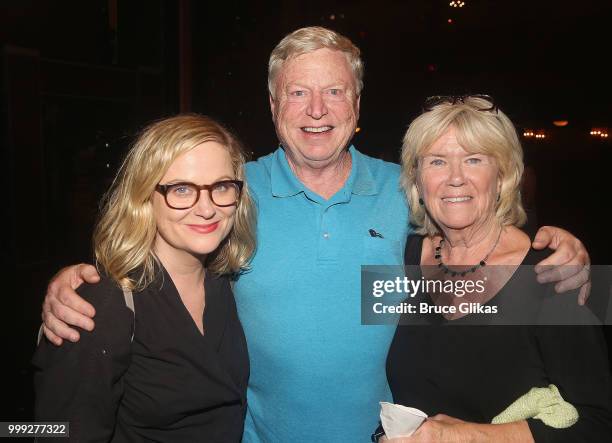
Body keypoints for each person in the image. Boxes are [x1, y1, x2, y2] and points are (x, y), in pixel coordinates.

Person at [39, 28, 592, 441]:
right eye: (298, 93)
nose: (317, 110)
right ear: (274, 105)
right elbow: (155, 229)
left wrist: (559, 254)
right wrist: (79, 279)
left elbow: (473, 281)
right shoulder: (233, 194)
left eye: (334, 92)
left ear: (357, 105)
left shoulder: (405, 193)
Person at [379, 95, 611, 442]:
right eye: (437, 161)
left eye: (474, 159)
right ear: (416, 179)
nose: (455, 178)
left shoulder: (552, 274)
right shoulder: (404, 256)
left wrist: (464, 437)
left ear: (502, 175)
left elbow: (599, 422)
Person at [33, 114, 256, 441]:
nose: (207, 208)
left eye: (221, 186)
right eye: (181, 189)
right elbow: (55, 432)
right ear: (144, 196)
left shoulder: (227, 281)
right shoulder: (103, 303)